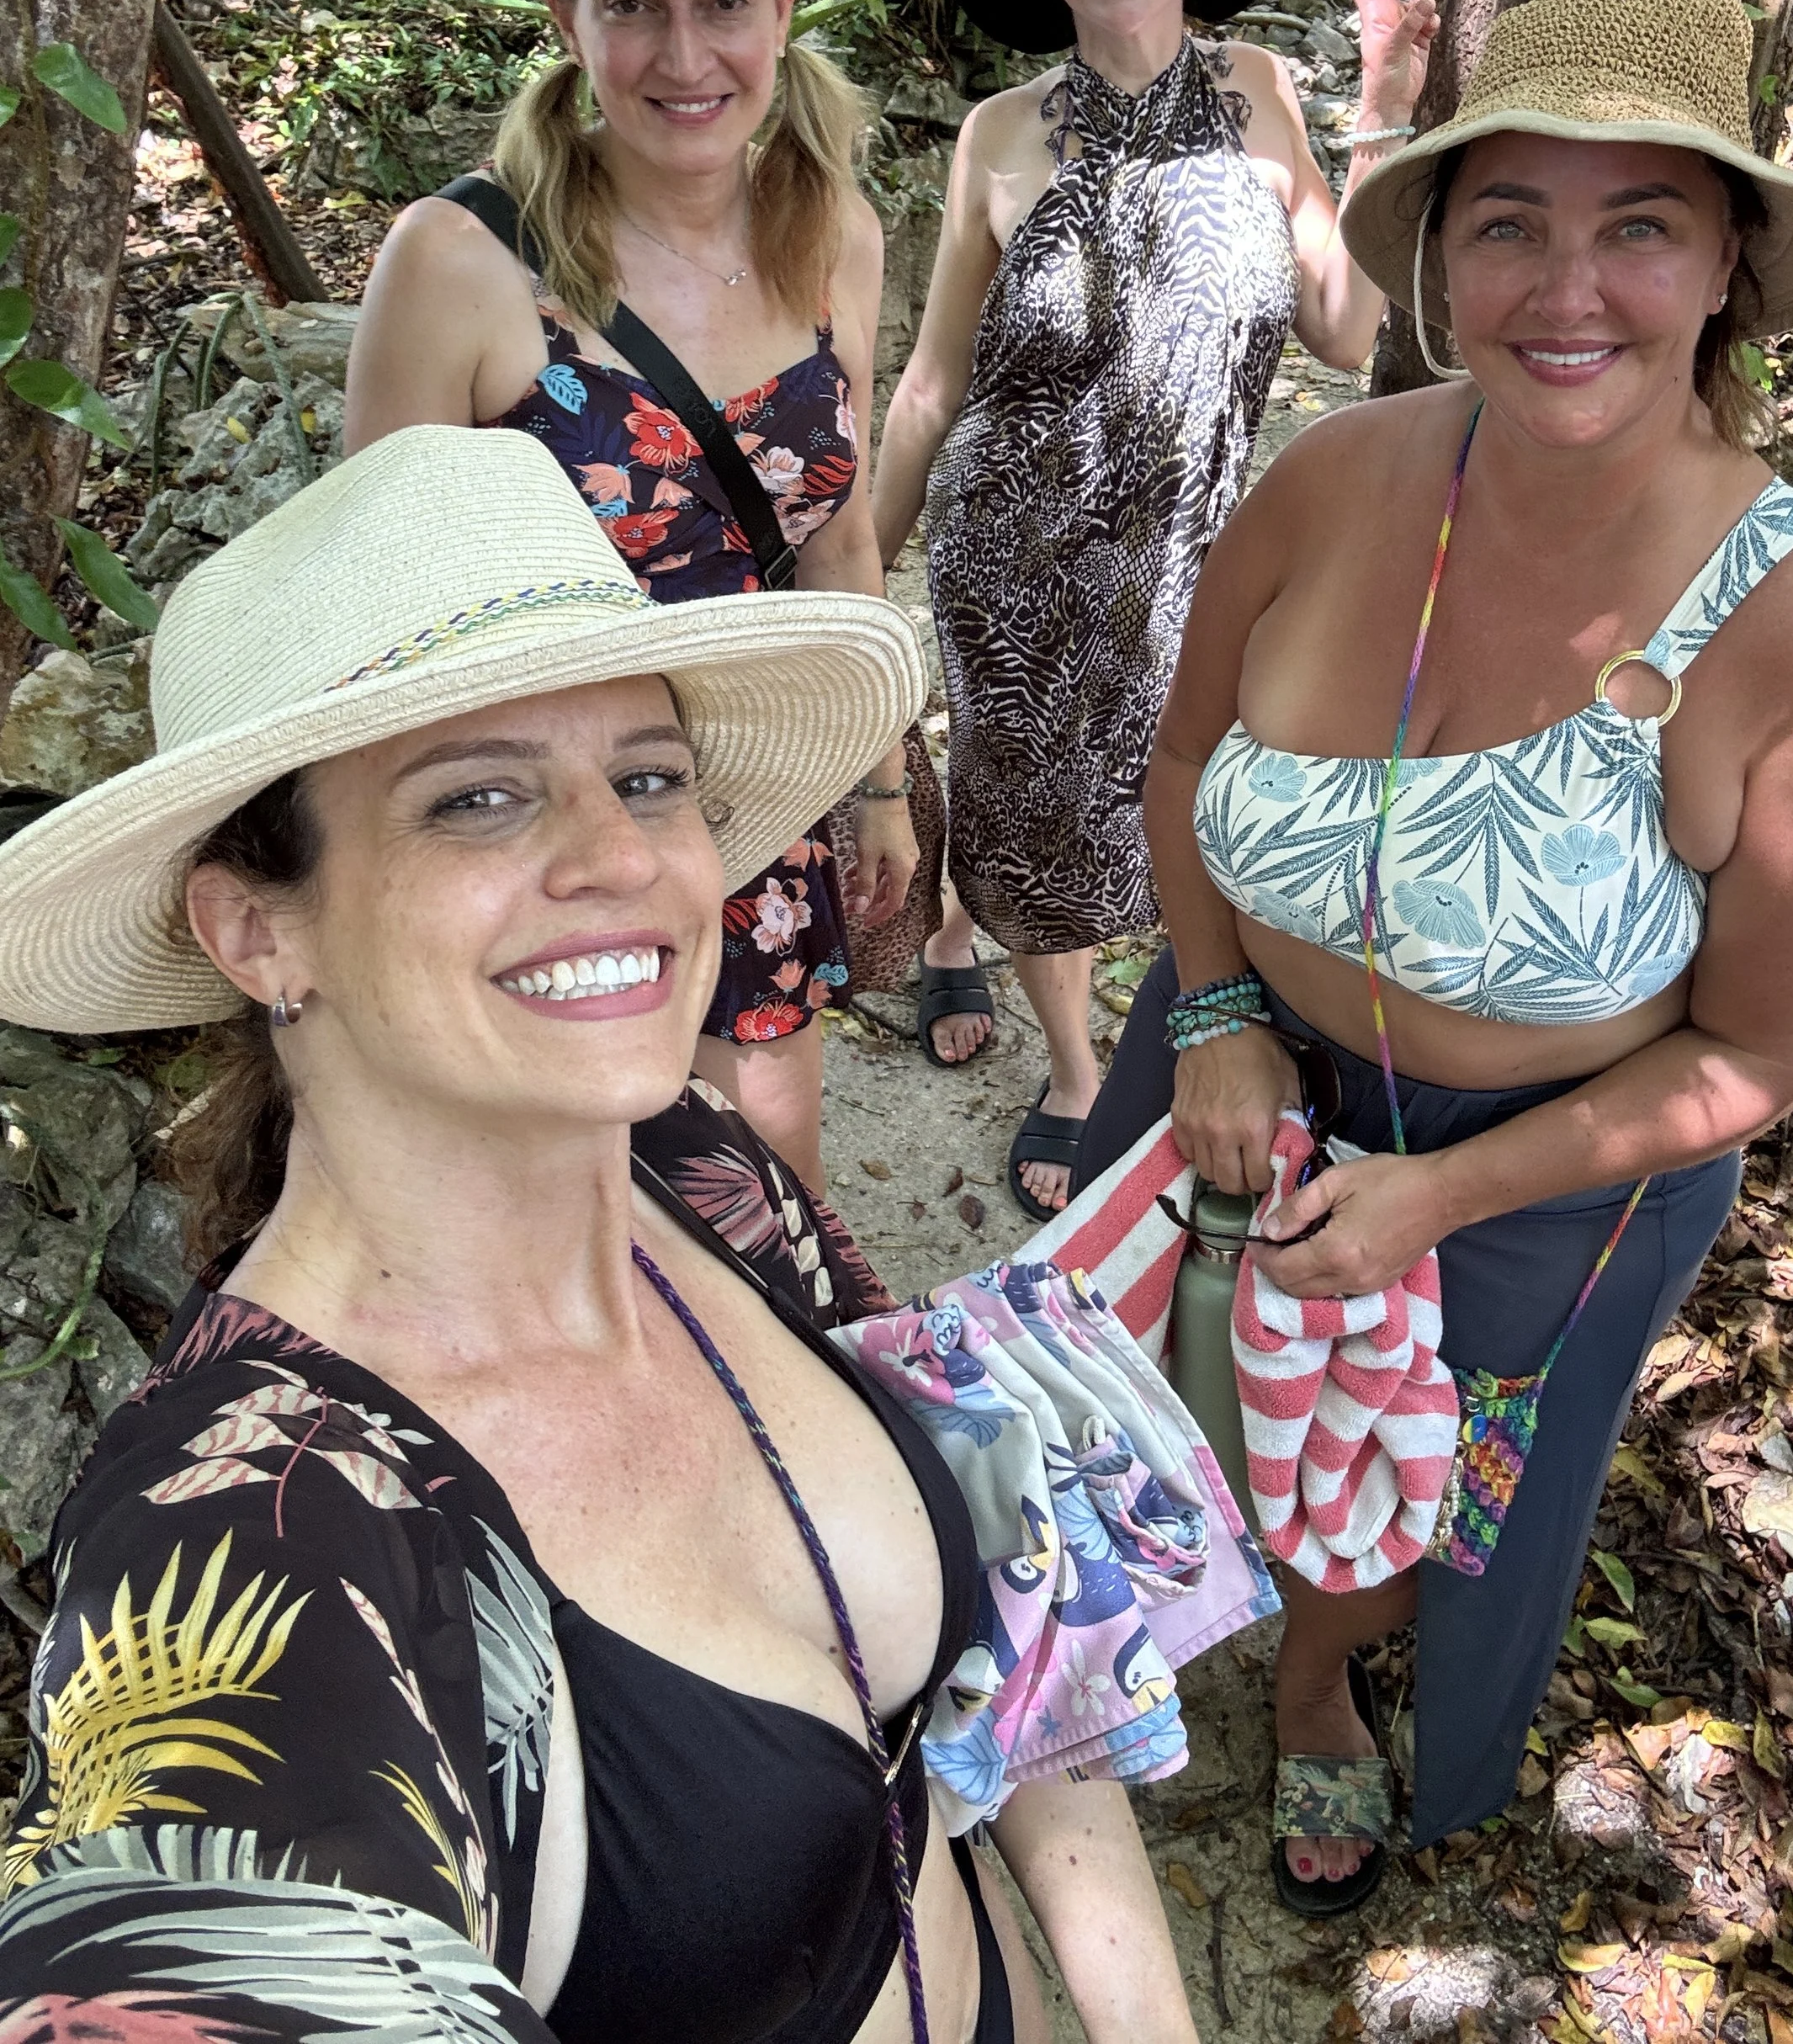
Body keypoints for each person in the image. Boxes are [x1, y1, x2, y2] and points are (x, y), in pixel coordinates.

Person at [0, 424, 1201, 2044]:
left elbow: (1009, 1639)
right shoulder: (248, 1537)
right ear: (254, 927)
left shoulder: (698, 1173)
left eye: (647, 775)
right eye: (479, 800)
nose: (625, 856)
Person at [1067, 0, 1793, 1910]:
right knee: (1159, 1390)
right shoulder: (1332, 479)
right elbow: (1186, 745)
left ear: (1720, 270)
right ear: (1437, 251)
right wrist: (1207, 1006)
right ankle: (1118, 1638)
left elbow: (1750, 1059)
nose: (1565, 288)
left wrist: (1438, 1205)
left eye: (1637, 225)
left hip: (1545, 1176)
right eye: (1507, 219)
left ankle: (1314, 1682)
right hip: (1234, 1053)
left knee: (1406, 1492)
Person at [871, 0, 1437, 1218]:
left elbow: (1346, 323)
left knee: (1151, 823)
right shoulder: (997, 137)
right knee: (1033, 820)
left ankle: (955, 930)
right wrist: (855, 567)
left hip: (1188, 561)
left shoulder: (1259, 95)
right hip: (1010, 556)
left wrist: (1380, 96)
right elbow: (934, 377)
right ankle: (1067, 1066)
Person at [347, 0, 913, 1191]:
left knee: (766, 1184)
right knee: (568, 1186)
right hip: (531, 819)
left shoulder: (833, 229)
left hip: (746, 787)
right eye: (631, 7)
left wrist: (881, 784)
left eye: (723, 2)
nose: (684, 57)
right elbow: (374, 610)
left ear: (782, 5)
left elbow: (839, 535)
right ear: (566, 18)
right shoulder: (459, 263)